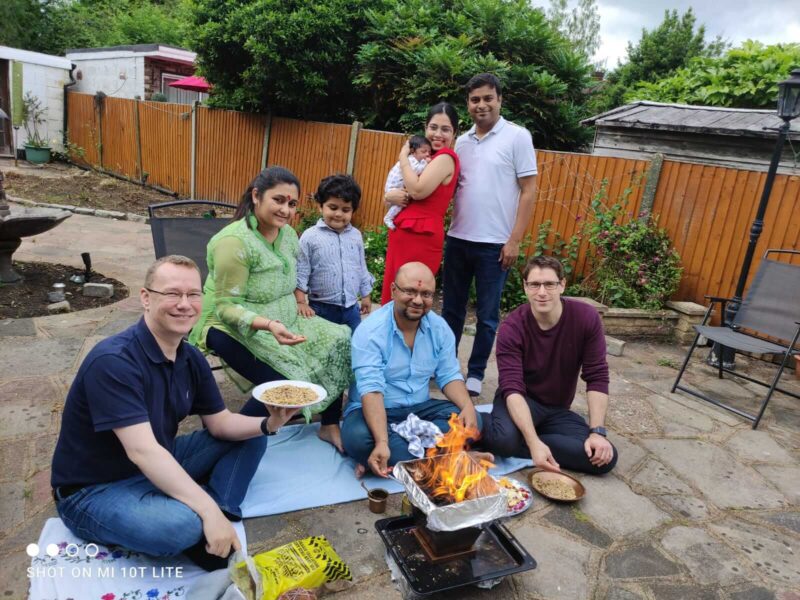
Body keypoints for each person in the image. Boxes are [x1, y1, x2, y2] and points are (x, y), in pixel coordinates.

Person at [51, 256, 299, 571]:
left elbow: (221, 424)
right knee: (178, 527)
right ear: (146, 298)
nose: (185, 304)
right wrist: (205, 511)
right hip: (96, 488)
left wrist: (271, 422)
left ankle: (216, 511)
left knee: (253, 435)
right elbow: (143, 451)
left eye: (193, 294)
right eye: (172, 293)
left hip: (161, 458)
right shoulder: (114, 362)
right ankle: (202, 513)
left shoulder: (190, 356)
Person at [189, 166, 352, 452]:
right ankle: (226, 441)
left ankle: (329, 424)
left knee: (340, 339)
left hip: (286, 319)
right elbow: (227, 308)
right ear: (256, 196)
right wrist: (268, 325)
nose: (286, 210)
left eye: (292, 203)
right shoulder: (234, 243)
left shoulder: (288, 235)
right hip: (230, 325)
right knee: (285, 380)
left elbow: (294, 277)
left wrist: (301, 302)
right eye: (278, 200)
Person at [442, 73, 539, 398]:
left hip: (495, 245)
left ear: (499, 100)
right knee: (451, 311)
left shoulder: (517, 137)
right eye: (475, 99)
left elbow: (528, 191)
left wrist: (514, 240)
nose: (481, 105)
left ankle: (477, 372)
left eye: (488, 98)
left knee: (487, 314)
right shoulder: (462, 141)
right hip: (457, 238)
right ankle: (447, 367)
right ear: (468, 104)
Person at [481, 255, 618, 475]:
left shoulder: (586, 318)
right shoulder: (512, 327)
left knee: (603, 457)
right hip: (520, 399)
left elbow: (597, 376)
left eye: (550, 284)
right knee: (504, 441)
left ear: (562, 285)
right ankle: (495, 428)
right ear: (525, 287)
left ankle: (517, 438)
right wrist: (533, 443)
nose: (542, 292)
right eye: (534, 284)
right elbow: (512, 387)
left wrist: (597, 433)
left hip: (556, 409)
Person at [342, 262, 481, 477]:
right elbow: (371, 390)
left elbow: (449, 375)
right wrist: (381, 441)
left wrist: (468, 406)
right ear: (393, 290)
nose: (418, 300)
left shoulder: (440, 328)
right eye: (410, 291)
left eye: (426, 294)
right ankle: (445, 457)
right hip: (376, 409)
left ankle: (398, 459)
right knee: (359, 439)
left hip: (420, 408)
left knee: (473, 419)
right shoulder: (370, 331)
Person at [380, 103, 461, 305]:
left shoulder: (445, 158)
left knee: (412, 297)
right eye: (433, 127)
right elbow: (390, 197)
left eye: (446, 129)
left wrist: (402, 157)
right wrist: (390, 197)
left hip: (421, 237)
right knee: (395, 295)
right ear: (426, 127)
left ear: (455, 133)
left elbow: (416, 191)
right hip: (403, 232)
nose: (438, 134)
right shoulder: (425, 158)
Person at [295, 174, 374, 332]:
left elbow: (361, 267)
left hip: (351, 309)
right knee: (323, 349)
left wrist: (366, 295)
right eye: (333, 207)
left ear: (353, 211)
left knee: (354, 345)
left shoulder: (356, 236)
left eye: (345, 210)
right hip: (321, 309)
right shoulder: (310, 237)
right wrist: (300, 302)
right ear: (320, 206)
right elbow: (301, 270)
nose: (338, 214)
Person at [383, 135, 432, 230]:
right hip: (394, 187)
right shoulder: (411, 160)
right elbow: (417, 170)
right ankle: (388, 218)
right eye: (423, 151)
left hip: (395, 186)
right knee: (400, 203)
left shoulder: (412, 159)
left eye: (429, 152)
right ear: (413, 151)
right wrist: (427, 163)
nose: (427, 154)